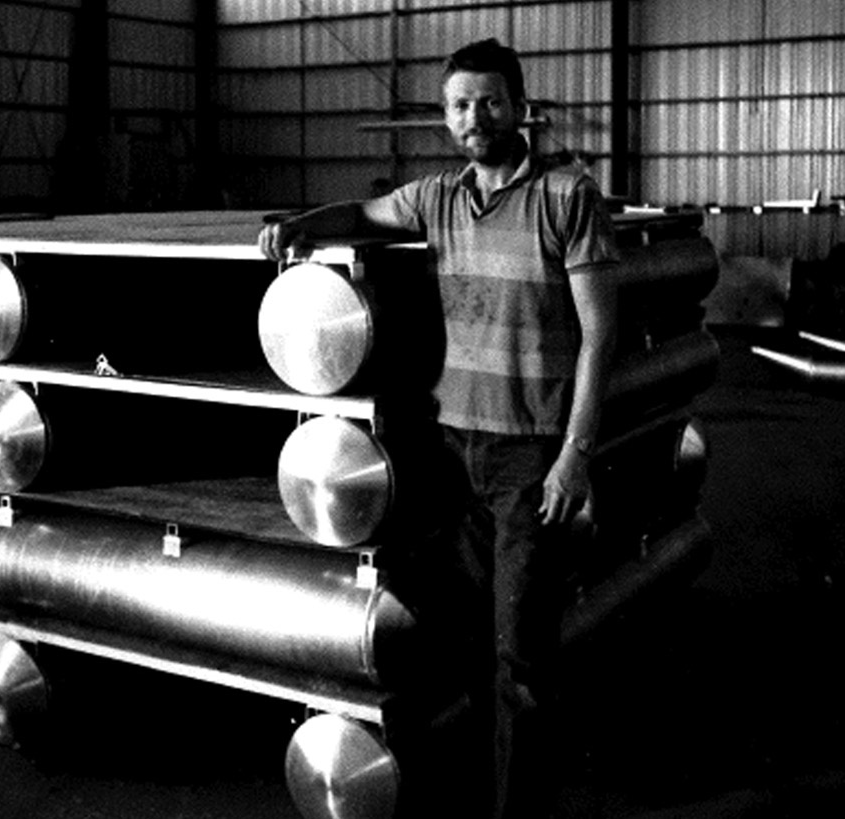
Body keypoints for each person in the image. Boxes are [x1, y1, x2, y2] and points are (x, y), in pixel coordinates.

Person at [259, 37, 619, 818]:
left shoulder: (566, 198)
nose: (475, 118)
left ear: (521, 107)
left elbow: (602, 336)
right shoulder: (438, 199)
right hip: (453, 453)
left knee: (519, 660)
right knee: (452, 632)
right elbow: (361, 212)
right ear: (446, 116)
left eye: (490, 101)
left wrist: (574, 457)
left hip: (529, 458)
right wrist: (298, 225)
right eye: (460, 105)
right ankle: (472, 781)